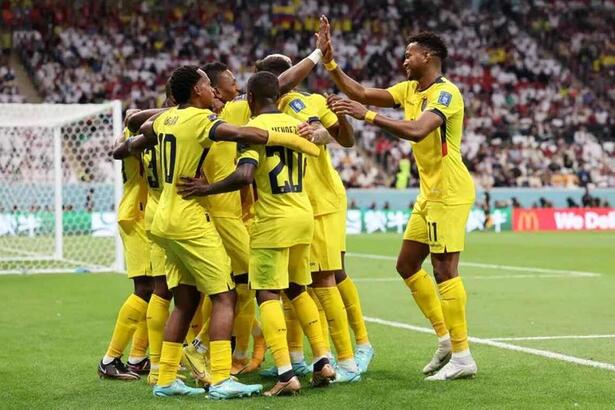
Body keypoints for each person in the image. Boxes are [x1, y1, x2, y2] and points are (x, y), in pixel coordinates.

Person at [117, 65, 320, 398]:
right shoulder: (202, 120)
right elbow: (244, 135)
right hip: (189, 218)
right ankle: (222, 376)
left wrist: (127, 134)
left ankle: (165, 378)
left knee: (184, 298)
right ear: (197, 90)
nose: (213, 89)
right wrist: (292, 138)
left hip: (160, 220)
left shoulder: (165, 120)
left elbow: (132, 140)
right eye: (208, 84)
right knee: (225, 294)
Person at [322, 18, 478, 380]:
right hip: (430, 193)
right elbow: (360, 92)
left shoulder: (446, 93)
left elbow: (418, 129)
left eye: (410, 55)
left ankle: (462, 355)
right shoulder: (410, 89)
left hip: (450, 191)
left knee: (444, 270)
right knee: (407, 265)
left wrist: (370, 116)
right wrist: (330, 63)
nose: (404, 60)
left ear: (429, 56)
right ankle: (445, 337)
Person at [177, 71, 335, 396]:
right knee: (298, 288)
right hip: (303, 214)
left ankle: (285, 373)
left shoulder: (253, 129)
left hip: (273, 220)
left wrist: (208, 188)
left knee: (266, 293)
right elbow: (325, 141)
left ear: (250, 98)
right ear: (277, 97)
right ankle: (323, 361)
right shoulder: (296, 124)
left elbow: (245, 175)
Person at [255, 53, 372, 380]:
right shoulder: (271, 109)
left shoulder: (292, 102)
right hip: (298, 205)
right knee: (296, 283)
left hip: (320, 201)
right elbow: (346, 138)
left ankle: (350, 358)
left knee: (326, 277)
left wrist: (319, 132)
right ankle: (296, 357)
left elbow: (323, 132)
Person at [98, 113, 152, 381]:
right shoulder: (140, 129)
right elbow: (120, 148)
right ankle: (109, 359)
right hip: (137, 215)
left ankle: (138, 358)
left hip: (146, 214)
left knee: (156, 290)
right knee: (146, 288)